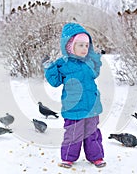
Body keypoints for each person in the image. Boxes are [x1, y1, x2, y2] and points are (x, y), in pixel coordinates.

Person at [43, 22, 106, 168]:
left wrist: (97, 60)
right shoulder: (63, 64)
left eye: (86, 45)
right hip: (73, 107)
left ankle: (96, 157)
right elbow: (55, 81)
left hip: (91, 106)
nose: (85, 48)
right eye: (80, 45)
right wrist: (50, 68)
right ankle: (68, 158)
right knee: (73, 134)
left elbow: (95, 73)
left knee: (93, 134)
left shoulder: (89, 62)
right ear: (70, 46)